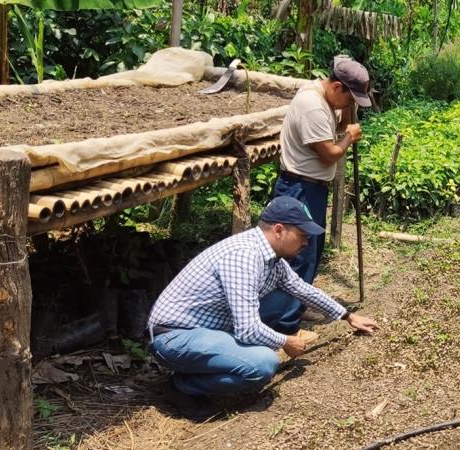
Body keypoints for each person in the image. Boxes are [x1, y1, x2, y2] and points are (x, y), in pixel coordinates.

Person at [147, 196, 379, 420]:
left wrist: (348, 316)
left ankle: (204, 367)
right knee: (263, 364)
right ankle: (182, 386)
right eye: (302, 234)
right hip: (175, 337)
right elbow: (248, 330)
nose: (307, 242)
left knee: (284, 299)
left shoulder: (272, 258)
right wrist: (285, 341)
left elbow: (304, 290)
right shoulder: (244, 256)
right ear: (278, 230)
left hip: (205, 330)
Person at [260, 56, 373, 327]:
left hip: (312, 188)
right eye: (350, 98)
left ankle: (295, 310)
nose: (350, 105)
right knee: (295, 257)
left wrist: (348, 111)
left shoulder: (324, 98)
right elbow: (329, 154)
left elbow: (337, 123)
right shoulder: (312, 106)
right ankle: (282, 325)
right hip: (300, 189)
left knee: (310, 252)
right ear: (336, 87)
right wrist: (349, 137)